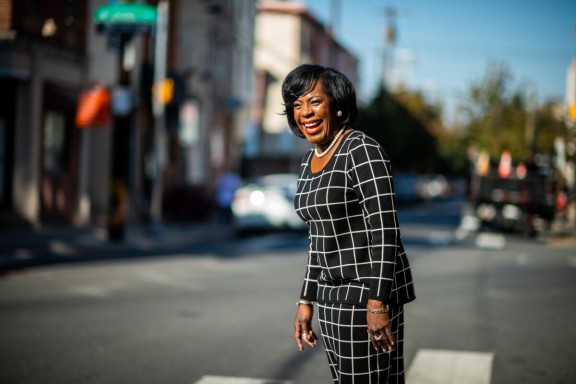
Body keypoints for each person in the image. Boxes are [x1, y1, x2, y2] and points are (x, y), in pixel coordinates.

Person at [282, 64, 416, 384]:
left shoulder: (361, 150)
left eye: (314, 101)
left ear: (337, 105)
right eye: (297, 105)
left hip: (365, 297)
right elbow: (318, 240)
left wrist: (377, 303)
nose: (306, 113)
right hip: (330, 298)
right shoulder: (309, 160)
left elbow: (385, 231)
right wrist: (305, 300)